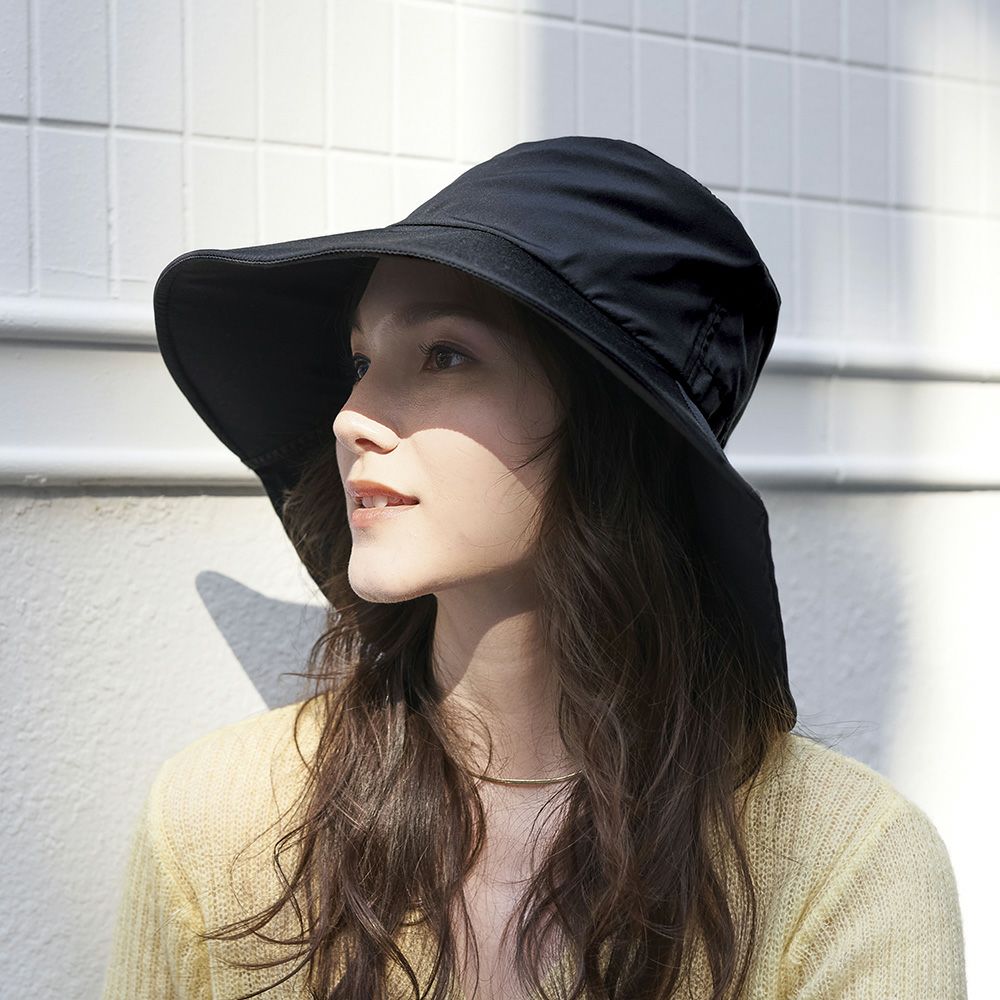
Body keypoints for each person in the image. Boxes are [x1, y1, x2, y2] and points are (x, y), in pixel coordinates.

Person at [101, 136, 967, 1000]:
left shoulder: (843, 868)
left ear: (610, 425)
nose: (351, 415)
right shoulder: (222, 821)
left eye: (445, 354)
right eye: (360, 361)